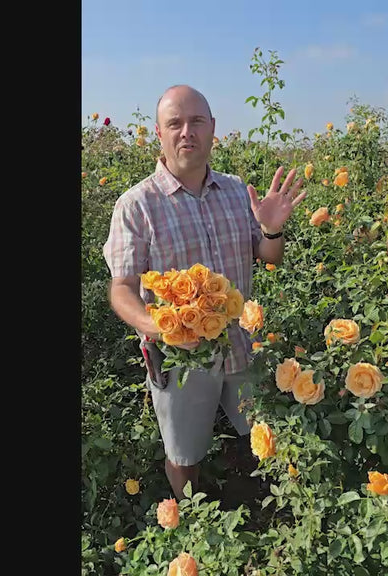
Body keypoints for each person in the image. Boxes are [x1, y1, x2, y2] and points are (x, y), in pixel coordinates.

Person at [103, 85, 307, 500]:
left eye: (197, 121)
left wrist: (272, 228)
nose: (186, 132)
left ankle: (282, 510)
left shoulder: (236, 191)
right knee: (184, 452)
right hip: (181, 358)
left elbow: (269, 256)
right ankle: (191, 520)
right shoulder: (136, 205)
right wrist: (159, 326)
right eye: (174, 123)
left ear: (213, 129)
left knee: (268, 436)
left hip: (242, 345)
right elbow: (122, 289)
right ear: (158, 133)